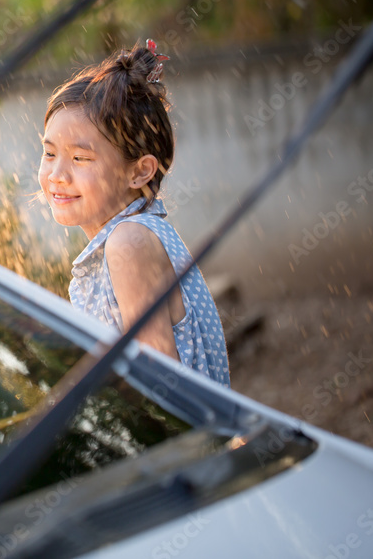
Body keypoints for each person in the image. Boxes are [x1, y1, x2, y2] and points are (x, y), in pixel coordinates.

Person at [37, 40, 230, 386]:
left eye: (80, 158)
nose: (57, 175)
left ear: (139, 172)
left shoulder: (129, 242)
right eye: (50, 154)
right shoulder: (130, 235)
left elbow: (161, 389)